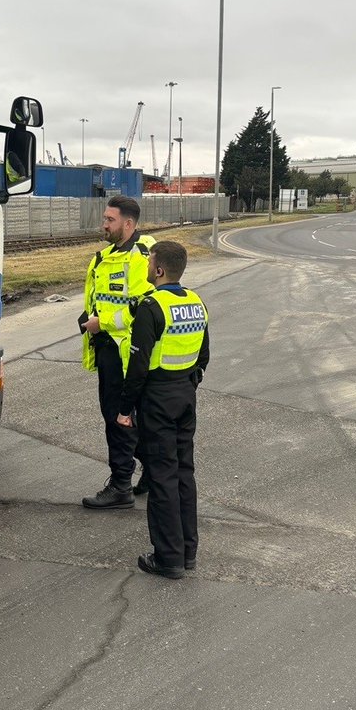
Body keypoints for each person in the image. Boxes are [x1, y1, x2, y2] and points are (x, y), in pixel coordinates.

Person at [116, 240, 209, 579]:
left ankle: (167, 557)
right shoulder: (197, 302)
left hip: (157, 399)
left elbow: (137, 366)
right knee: (185, 472)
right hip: (185, 394)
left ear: (158, 270)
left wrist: (125, 408)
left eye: (148, 262)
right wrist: (187, 385)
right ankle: (188, 552)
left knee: (162, 476)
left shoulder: (151, 307)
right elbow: (204, 357)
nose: (145, 267)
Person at [79, 195, 155, 508]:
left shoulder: (141, 257)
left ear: (127, 223)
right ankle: (152, 466)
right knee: (124, 417)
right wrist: (89, 318)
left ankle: (121, 486)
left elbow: (143, 308)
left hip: (126, 352)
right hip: (108, 347)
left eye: (109, 220)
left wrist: (103, 322)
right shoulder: (107, 256)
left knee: (117, 418)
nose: (103, 224)